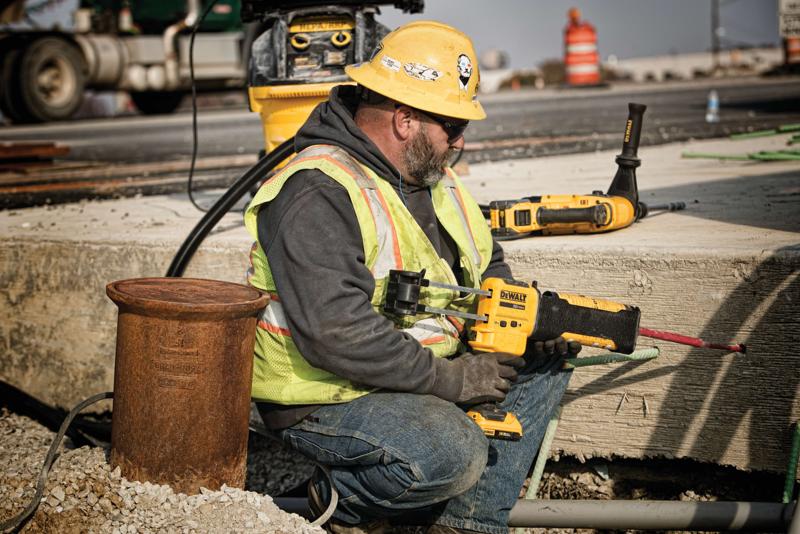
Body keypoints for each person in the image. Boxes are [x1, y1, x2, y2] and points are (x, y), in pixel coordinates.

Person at [244, 20, 579, 534]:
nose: (461, 143)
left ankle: (466, 525)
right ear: (405, 120)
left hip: (410, 372)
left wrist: (522, 322)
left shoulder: (434, 179)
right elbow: (338, 332)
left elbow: (485, 263)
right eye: (453, 129)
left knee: (545, 363)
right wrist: (452, 380)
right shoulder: (317, 189)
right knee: (448, 451)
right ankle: (338, 502)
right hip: (324, 394)